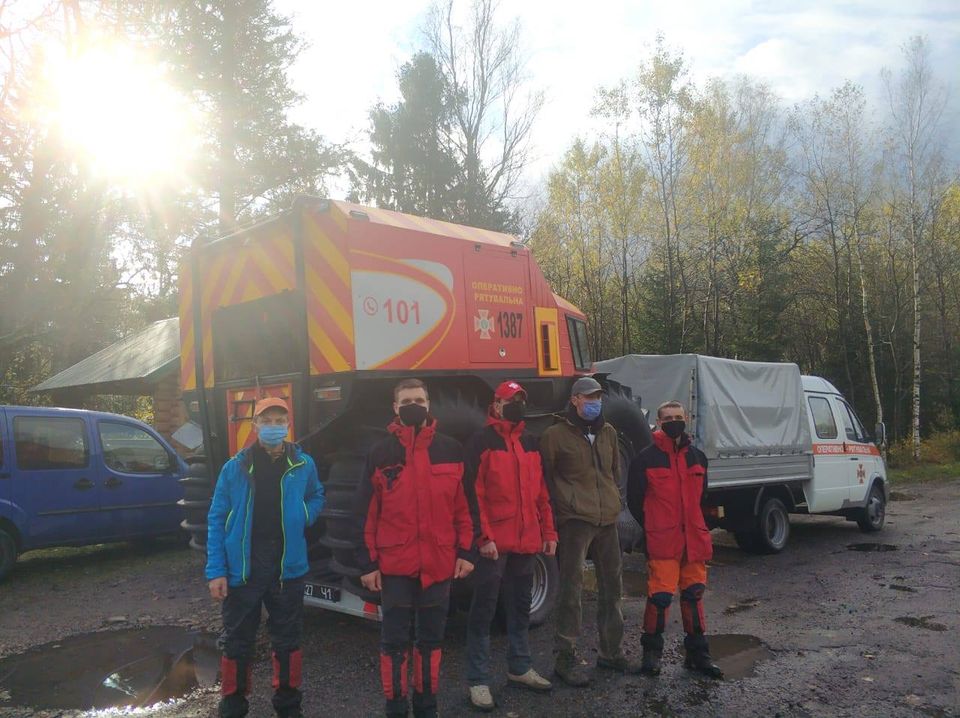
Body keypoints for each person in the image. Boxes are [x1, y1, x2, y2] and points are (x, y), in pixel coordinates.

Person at [355, 378, 477, 718]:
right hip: (395, 568)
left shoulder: (451, 449)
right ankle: (395, 709)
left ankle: (426, 708)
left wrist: (467, 553)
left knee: (430, 643)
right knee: (393, 644)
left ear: (428, 404)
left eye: (419, 399)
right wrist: (367, 563)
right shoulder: (380, 453)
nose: (413, 405)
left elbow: (465, 508)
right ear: (395, 408)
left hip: (438, 565)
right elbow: (365, 512)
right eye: (406, 400)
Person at [206, 397, 325, 718]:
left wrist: (304, 513)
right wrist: (216, 570)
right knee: (237, 640)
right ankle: (232, 706)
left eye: (279, 421)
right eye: (266, 420)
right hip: (243, 565)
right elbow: (217, 518)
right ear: (255, 425)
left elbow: (317, 495)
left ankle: (288, 707)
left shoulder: (303, 464)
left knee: (288, 640)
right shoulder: (235, 467)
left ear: (288, 425)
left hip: (288, 566)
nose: (273, 426)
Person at [539, 376, 641, 687]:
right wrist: (562, 512)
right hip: (575, 522)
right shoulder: (554, 436)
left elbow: (614, 473)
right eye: (588, 397)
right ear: (574, 400)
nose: (594, 401)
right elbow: (545, 479)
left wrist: (612, 504)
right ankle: (565, 658)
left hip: (606, 521)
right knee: (571, 593)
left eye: (597, 396)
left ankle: (610, 653)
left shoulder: (609, 432)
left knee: (613, 588)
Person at [463, 380, 558, 711]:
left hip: (528, 541)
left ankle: (520, 667)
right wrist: (484, 537)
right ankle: (478, 680)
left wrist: (549, 532)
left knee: (520, 607)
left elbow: (542, 494)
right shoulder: (481, 442)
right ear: (496, 404)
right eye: (509, 399)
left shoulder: (531, 442)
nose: (515, 404)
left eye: (520, 399)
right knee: (484, 609)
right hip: (495, 545)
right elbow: (473, 495)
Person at [627, 400, 723, 679]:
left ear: (686, 419)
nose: (673, 421)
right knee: (659, 598)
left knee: (693, 596)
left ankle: (698, 654)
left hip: (693, 540)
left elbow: (701, 497)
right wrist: (655, 527)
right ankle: (652, 655)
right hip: (663, 542)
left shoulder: (698, 458)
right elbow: (635, 501)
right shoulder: (644, 459)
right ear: (658, 421)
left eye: (678, 417)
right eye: (668, 417)